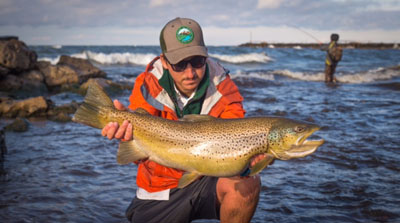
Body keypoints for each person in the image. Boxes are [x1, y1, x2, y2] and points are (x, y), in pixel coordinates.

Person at [101, 17, 268, 223]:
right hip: (159, 189)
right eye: (179, 64)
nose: (190, 73)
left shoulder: (224, 87)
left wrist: (250, 164)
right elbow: (137, 156)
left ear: (205, 55)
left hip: (208, 180)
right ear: (164, 61)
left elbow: (236, 148)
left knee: (248, 183)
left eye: (197, 62)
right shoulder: (148, 84)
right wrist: (125, 136)